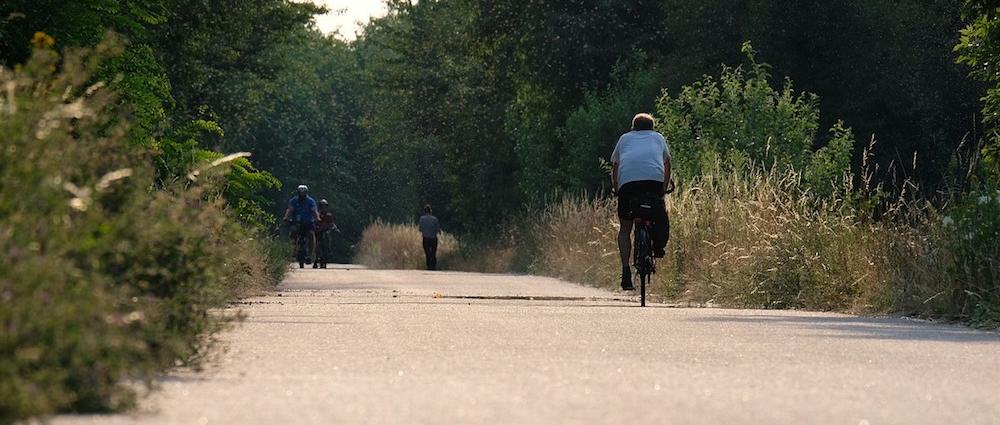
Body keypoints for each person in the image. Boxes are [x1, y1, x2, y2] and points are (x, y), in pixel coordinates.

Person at [611, 113, 672, 291]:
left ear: (633, 127)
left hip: (628, 186)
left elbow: (615, 165)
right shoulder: (658, 138)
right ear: (652, 127)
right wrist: (663, 189)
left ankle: (625, 270)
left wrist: (617, 188)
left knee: (625, 228)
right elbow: (667, 163)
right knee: (660, 216)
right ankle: (658, 246)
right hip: (654, 184)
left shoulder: (624, 139)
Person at [283, 185, 320, 264]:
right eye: (300, 193)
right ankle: (293, 249)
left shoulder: (310, 201)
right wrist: (286, 217)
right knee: (293, 232)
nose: (302, 196)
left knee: (311, 235)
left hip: (308, 222)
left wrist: (317, 218)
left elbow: (314, 211)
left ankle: (310, 255)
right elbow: (290, 210)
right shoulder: (294, 200)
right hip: (297, 222)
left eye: (304, 193)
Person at [314, 199, 338, 269]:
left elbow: (332, 223)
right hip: (318, 232)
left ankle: (329, 250)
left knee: (328, 238)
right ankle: (316, 259)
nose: (323, 208)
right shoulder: (317, 215)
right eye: (322, 207)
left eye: (325, 207)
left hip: (326, 231)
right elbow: (314, 222)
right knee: (317, 244)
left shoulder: (329, 215)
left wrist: (334, 228)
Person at [418, 205, 441, 271]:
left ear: (425, 211)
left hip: (425, 238)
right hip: (433, 238)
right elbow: (438, 229)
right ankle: (433, 266)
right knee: (433, 253)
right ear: (430, 211)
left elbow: (420, 229)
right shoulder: (435, 219)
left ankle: (429, 266)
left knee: (427, 253)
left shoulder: (422, 219)